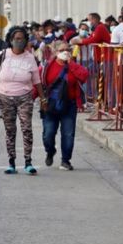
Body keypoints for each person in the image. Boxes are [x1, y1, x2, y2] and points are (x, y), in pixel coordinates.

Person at [0, 26, 47, 174]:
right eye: (16, 39)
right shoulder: (3, 55)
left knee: (26, 129)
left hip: (25, 97)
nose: (19, 41)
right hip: (5, 98)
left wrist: (43, 99)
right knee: (10, 130)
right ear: (10, 40)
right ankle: (12, 163)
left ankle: (28, 162)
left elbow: (37, 80)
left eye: (22, 39)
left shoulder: (30, 57)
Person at [41, 41, 89, 170]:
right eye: (62, 50)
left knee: (68, 134)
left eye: (68, 49)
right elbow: (38, 84)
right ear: (55, 52)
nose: (66, 52)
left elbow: (84, 76)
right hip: (51, 105)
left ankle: (65, 160)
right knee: (48, 134)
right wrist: (34, 98)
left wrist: (71, 63)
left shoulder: (73, 66)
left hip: (70, 105)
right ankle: (50, 151)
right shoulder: (47, 67)